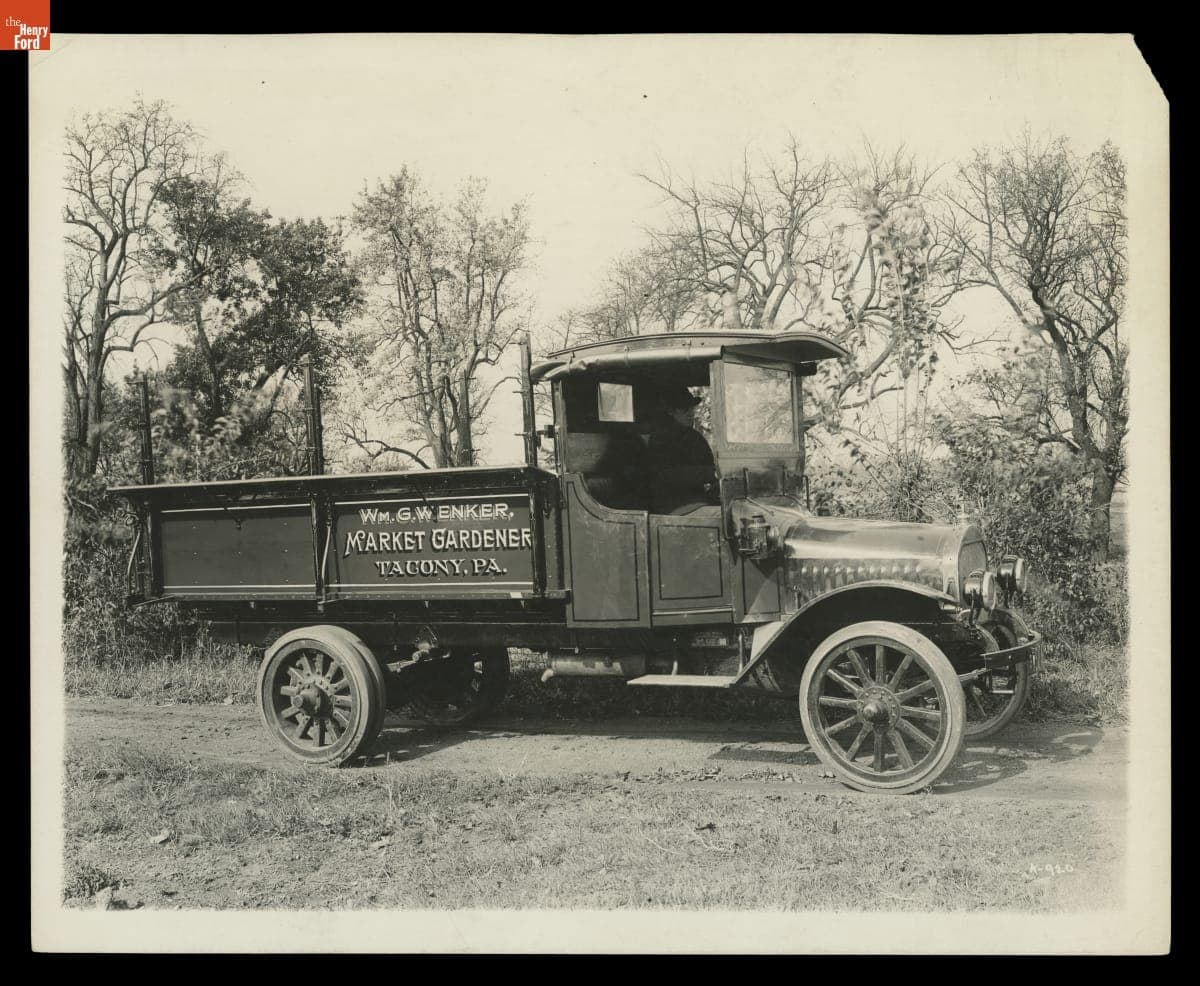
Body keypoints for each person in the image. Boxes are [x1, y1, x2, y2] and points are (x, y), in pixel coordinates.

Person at [645, 386, 719, 514]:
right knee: (724, 517)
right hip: (674, 506)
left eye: (691, 409)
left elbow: (710, 467)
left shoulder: (695, 437)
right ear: (671, 411)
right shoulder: (660, 438)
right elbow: (669, 474)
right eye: (684, 410)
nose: (690, 413)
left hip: (699, 501)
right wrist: (712, 473)